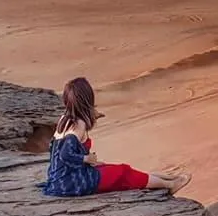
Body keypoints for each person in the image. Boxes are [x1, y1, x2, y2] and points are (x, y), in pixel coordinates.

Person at [42, 77, 191, 197]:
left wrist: (86, 162)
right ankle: (170, 185)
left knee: (113, 168)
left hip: (60, 179)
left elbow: (55, 149)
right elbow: (65, 154)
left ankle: (167, 178)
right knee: (122, 172)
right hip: (72, 183)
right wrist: (86, 159)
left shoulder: (65, 119)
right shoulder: (78, 125)